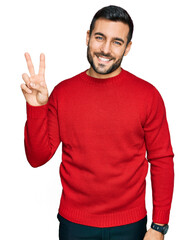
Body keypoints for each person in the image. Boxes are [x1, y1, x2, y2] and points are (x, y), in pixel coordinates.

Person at [21, 5, 174, 240]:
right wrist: (37, 107)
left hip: (131, 225)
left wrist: (159, 225)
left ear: (127, 47)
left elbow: (162, 159)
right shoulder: (63, 93)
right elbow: (37, 158)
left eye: (116, 42)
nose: (105, 49)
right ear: (88, 37)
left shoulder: (148, 95)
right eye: (100, 37)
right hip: (74, 225)